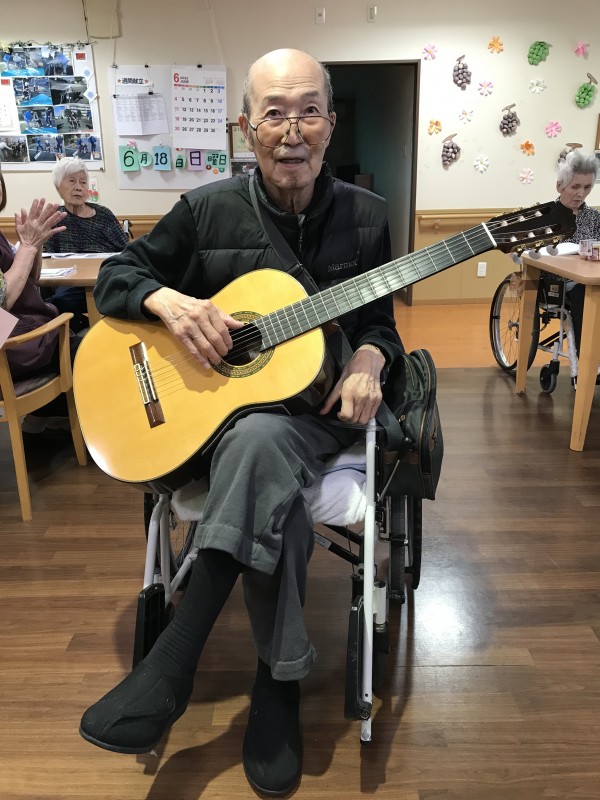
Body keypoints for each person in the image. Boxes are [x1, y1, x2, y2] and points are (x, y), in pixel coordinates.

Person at [79, 48, 403, 796]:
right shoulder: (206, 210)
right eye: (274, 113)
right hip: (213, 426)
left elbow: (380, 324)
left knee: (263, 444)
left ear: (330, 123)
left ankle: (175, 663)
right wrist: (166, 301)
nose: (292, 131)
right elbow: (118, 274)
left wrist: (370, 358)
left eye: (310, 112)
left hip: (316, 412)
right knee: (264, 466)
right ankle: (276, 684)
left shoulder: (367, 218)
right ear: (245, 126)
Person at [0, 160, 84, 433]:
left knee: (78, 326)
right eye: (72, 181)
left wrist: (34, 246)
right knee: (94, 346)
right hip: (13, 351)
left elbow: (30, 280)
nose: (79, 187)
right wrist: (28, 245)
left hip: (20, 338)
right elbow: (2, 301)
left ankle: (47, 420)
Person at [44, 157, 128, 331]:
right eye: (72, 181)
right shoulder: (54, 217)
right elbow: (47, 256)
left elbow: (126, 249)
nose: (78, 187)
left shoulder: (103, 214)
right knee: (59, 301)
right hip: (71, 282)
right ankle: (81, 334)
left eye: (83, 182)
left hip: (105, 277)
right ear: (58, 187)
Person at [553, 150, 600, 383]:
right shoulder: (546, 216)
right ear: (560, 186)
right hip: (558, 283)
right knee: (585, 294)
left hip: (591, 278)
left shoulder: (594, 217)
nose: (581, 194)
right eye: (575, 187)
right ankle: (591, 363)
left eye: (587, 187)